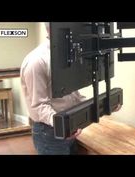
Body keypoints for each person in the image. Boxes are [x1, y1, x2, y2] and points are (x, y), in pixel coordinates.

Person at [20, 22, 121, 155]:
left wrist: (101, 106)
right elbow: (38, 106)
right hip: (49, 132)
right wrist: (63, 126)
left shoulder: (67, 54)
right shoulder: (36, 62)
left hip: (69, 124)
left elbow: (73, 94)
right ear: (54, 30)